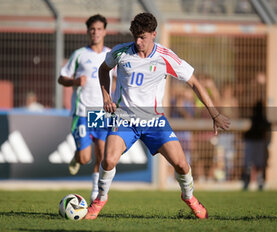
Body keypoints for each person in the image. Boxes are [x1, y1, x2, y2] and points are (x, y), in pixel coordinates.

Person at [85, 13, 230, 220]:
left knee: (181, 164)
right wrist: (106, 96)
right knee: (108, 160)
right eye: (135, 36)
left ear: (154, 34)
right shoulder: (121, 53)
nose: (138, 41)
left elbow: (195, 83)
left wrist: (214, 114)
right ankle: (99, 199)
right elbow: (103, 69)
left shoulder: (165, 57)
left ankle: (189, 197)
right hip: (124, 118)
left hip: (154, 121)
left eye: (142, 37)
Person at [58, 14, 112, 202]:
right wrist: (74, 81)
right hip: (81, 111)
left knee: (102, 156)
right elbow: (61, 77)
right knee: (84, 158)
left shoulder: (111, 55)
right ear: (88, 31)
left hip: (101, 113)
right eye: (92, 29)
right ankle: (77, 156)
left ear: (105, 31)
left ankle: (95, 194)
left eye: (99, 29)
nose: (95, 32)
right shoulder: (79, 54)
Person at [242, 101, 271, 191]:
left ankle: (259, 182)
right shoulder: (252, 119)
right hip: (252, 142)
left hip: (258, 142)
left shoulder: (263, 120)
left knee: (258, 164)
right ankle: (247, 182)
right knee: (249, 164)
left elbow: (267, 129)